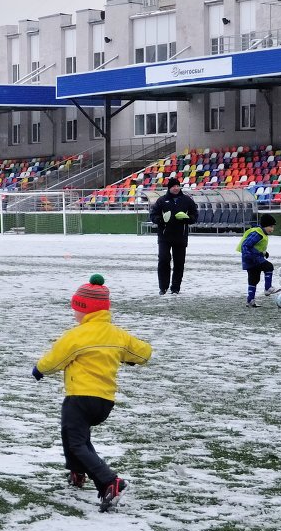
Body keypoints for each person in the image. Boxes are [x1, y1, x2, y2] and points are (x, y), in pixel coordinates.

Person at [32, 274, 152, 512]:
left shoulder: (76, 336)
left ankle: (110, 481)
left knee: (75, 441)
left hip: (79, 398)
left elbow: (56, 359)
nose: (74, 315)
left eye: (76, 310)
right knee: (76, 437)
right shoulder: (117, 335)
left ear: (85, 310)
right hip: (104, 402)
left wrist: (39, 370)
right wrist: (128, 359)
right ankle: (77, 472)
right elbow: (143, 353)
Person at [149, 177, 197, 295]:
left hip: (180, 237)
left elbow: (195, 215)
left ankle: (175, 288)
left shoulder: (187, 200)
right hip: (165, 237)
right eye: (173, 186)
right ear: (169, 188)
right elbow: (153, 215)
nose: (176, 188)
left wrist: (188, 219)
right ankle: (163, 287)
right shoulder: (162, 200)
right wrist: (160, 220)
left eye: (177, 186)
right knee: (164, 260)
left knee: (179, 263)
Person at [238, 215, 279, 308]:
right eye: (271, 226)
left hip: (251, 259)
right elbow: (245, 245)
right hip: (252, 259)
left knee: (254, 279)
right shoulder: (257, 233)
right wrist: (251, 256)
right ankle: (268, 288)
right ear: (265, 225)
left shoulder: (261, 233)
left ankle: (250, 301)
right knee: (269, 266)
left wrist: (264, 253)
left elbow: (256, 246)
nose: (272, 229)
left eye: (273, 227)